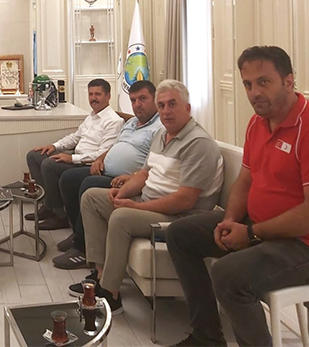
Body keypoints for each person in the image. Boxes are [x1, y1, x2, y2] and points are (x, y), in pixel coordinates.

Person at [166, 46, 309, 347]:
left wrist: (251, 233)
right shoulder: (257, 123)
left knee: (228, 276)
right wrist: (230, 220)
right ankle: (207, 337)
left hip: (302, 244)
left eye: (263, 82)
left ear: (289, 81)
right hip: (258, 226)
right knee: (180, 234)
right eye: (247, 84)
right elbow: (245, 181)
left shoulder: (307, 127)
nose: (254, 92)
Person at [69, 79, 224, 314]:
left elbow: (185, 200)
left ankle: (111, 295)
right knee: (92, 197)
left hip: (180, 217)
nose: (166, 111)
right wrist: (122, 193)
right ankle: (100, 276)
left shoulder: (198, 143)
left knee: (121, 217)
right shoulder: (162, 135)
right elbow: (144, 173)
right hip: (147, 202)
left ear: (187, 108)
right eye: (161, 105)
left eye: (172, 104)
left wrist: (135, 207)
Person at [52, 80, 161, 269]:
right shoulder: (132, 122)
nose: (137, 104)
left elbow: (153, 165)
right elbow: (115, 146)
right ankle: (79, 232)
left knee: (88, 184)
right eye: (133, 100)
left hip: (125, 179)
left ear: (155, 99)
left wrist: (133, 176)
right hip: (105, 169)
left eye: (143, 99)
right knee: (69, 179)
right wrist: (99, 159)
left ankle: (82, 249)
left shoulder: (160, 128)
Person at [25, 78, 124, 230]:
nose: (93, 98)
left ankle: (60, 216)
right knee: (34, 155)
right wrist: (54, 146)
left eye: (98, 94)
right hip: (76, 155)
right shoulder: (92, 116)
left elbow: (103, 154)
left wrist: (71, 158)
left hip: (89, 164)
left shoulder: (113, 121)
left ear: (108, 96)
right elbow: (75, 137)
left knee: (49, 165)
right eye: (90, 94)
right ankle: (48, 206)